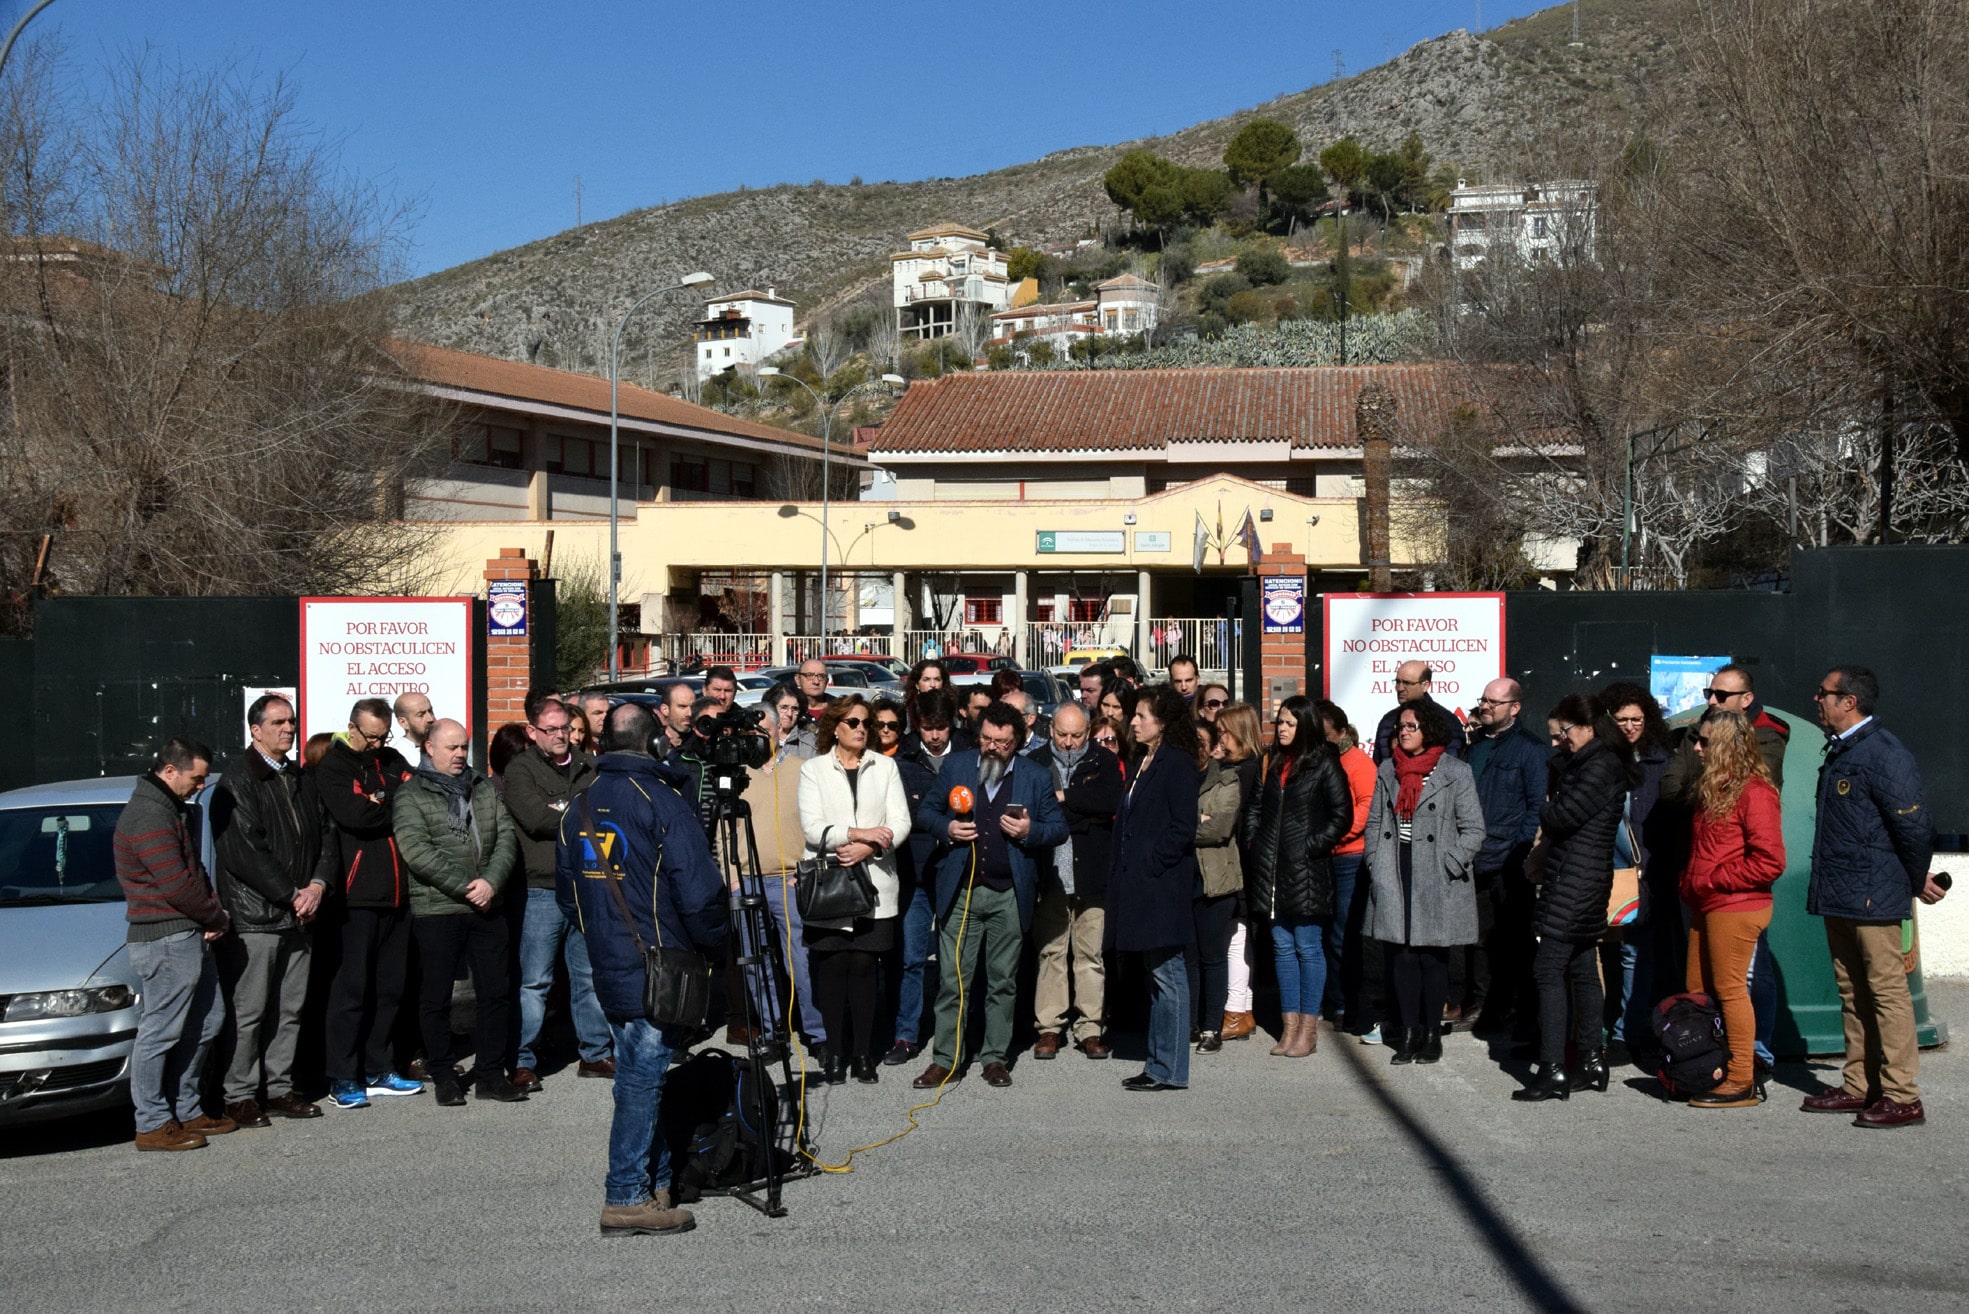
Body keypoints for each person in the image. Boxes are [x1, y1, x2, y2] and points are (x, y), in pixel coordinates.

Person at [558, 702, 727, 1236]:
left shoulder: (578, 804)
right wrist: (716, 945)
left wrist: (604, 935)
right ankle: (625, 1194)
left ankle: (652, 1184)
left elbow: (568, 898)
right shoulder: (662, 801)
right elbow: (701, 897)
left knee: (638, 1074)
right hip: (660, 962)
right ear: (655, 744)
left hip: (607, 957)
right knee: (640, 1078)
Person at [1800, 665, 1943, 1128]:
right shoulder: (1844, 750)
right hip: (1841, 893)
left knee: (1886, 992)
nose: (1815, 699)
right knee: (1851, 992)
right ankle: (1859, 1086)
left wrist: (1915, 876)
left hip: (1871, 896)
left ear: (1849, 702)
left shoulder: (1884, 753)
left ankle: (1902, 1095)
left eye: (1824, 693)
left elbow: (1914, 825)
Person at [912, 702, 1067, 1090]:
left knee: (1003, 981)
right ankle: (946, 1059)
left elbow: (1058, 828)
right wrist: (947, 828)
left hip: (1008, 894)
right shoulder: (957, 766)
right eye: (985, 739)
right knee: (953, 981)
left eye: (1001, 742)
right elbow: (925, 812)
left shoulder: (1034, 775)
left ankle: (995, 1057)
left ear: (1016, 742)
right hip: (961, 890)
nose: (991, 747)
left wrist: (1030, 831)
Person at [1513, 694, 1639, 1102]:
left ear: (1585, 727)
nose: (1556, 743)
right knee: (1583, 967)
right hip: (1580, 877)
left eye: (1561, 733)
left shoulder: (1599, 766)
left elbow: (1561, 817)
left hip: (1575, 881)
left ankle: (1552, 1069)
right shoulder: (1590, 763)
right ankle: (1591, 1060)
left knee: (1548, 970)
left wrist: (1546, 805)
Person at [394, 718, 525, 1105]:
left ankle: (489, 1074)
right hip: (439, 908)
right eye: (450, 747)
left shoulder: (482, 787)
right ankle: (443, 1073)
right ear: (429, 749)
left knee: (495, 993)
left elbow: (505, 837)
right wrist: (468, 887)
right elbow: (417, 852)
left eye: (463, 746)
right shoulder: (411, 794)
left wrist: (491, 883)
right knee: (436, 997)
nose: (458, 754)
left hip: (487, 904)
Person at [211, 695, 326, 1128]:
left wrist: (317, 885)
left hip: (301, 913)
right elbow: (244, 851)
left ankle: (280, 1088)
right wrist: (290, 894)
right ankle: (239, 1094)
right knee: (251, 1011)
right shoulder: (237, 780)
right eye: (278, 722)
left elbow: (325, 835)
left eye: (292, 721)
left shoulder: (299, 776)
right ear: (255, 730)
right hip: (257, 916)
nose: (288, 729)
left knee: (290, 1009)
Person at [115, 738, 236, 1151]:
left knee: (209, 1019)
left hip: (186, 932)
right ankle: (151, 1122)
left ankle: (186, 1109)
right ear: (170, 770)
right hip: (164, 936)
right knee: (161, 1031)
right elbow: (175, 883)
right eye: (196, 778)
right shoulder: (149, 814)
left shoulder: (170, 809)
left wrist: (210, 910)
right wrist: (215, 916)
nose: (200, 786)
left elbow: (193, 871)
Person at [797, 696, 914, 1084]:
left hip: (875, 882)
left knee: (865, 968)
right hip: (829, 884)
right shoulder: (814, 769)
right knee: (831, 971)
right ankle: (836, 1053)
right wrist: (856, 834)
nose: (863, 728)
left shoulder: (886, 767)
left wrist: (872, 845)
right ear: (835, 726)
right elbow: (812, 827)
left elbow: (900, 822)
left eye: (866, 722)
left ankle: (863, 1053)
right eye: (853, 722)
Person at [502, 697, 613, 1089]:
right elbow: (534, 819)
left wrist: (564, 808)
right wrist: (580, 812)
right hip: (541, 890)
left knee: (588, 975)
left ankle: (595, 1054)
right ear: (532, 732)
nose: (560, 736)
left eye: (564, 728)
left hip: (584, 885)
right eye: (550, 730)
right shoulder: (521, 770)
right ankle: (521, 1060)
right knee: (535, 981)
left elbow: (605, 812)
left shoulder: (589, 765)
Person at [1366, 705, 1486, 1066]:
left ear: (1429, 730)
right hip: (1396, 868)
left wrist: (1451, 862)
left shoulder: (1456, 771)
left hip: (1437, 873)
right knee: (1401, 957)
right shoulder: (1388, 770)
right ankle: (1407, 1032)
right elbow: (1374, 822)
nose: (1404, 732)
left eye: (1411, 726)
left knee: (1432, 958)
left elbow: (1474, 829)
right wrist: (1375, 860)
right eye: (1401, 726)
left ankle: (1432, 1034)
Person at [316, 698, 419, 1111]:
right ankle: (342, 1075)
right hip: (357, 896)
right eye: (371, 736)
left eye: (384, 736)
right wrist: (392, 801)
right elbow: (357, 815)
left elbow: (417, 800)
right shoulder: (334, 766)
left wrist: (384, 798)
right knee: (351, 990)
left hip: (399, 893)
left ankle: (380, 1067)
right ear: (352, 728)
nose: (378, 744)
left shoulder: (392, 758)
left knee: (390, 988)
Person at [1680, 708, 1786, 1109]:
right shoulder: (1715, 789)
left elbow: (1770, 861)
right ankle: (1710, 1068)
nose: (1697, 747)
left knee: (1729, 991)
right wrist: (1692, 882)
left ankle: (1741, 1078)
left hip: (1737, 905)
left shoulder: (1755, 791)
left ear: (1725, 745)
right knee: (1697, 992)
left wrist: (1711, 879)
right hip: (1707, 903)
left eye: (1705, 741)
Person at [1245, 695, 1353, 1058]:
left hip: (1307, 871)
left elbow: (1342, 816)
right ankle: (1288, 1028)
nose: (1283, 729)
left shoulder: (1325, 763)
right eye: (1280, 722)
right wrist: (1254, 842)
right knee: (1281, 948)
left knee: (1308, 947)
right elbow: (1256, 807)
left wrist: (1309, 846)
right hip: (1271, 872)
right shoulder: (1272, 761)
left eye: (1290, 723)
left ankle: (1308, 1028)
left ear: (1305, 725)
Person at [1108, 685, 1201, 1092]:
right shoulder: (1143, 760)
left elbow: (1183, 826)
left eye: (1142, 716)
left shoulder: (1177, 763)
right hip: (1141, 885)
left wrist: (1152, 862)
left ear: (1161, 723)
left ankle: (1171, 1068)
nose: (1133, 721)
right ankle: (1157, 1063)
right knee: (1156, 974)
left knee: (1170, 974)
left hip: (1162, 885)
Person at [1026, 700, 1123, 1060]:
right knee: (1051, 952)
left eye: (1077, 735)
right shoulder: (1034, 763)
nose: (1069, 742)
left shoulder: (1104, 760)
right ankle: (1049, 1028)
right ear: (1050, 730)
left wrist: (1065, 799)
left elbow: (1109, 801)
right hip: (1051, 872)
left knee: (1090, 955)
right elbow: (1035, 811)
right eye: (1063, 734)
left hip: (1092, 872)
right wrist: (1080, 812)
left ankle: (1090, 1027)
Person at [736, 682, 825, 1058]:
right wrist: (730, 881)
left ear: (778, 731)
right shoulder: (736, 775)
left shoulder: (804, 770)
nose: (757, 737)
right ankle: (774, 1032)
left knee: (801, 962)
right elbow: (722, 832)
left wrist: (806, 870)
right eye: (751, 731)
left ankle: (818, 1034)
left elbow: (818, 824)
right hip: (745, 881)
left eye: (763, 730)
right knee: (756, 963)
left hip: (789, 880)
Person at [1460, 678, 1548, 1040]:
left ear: (1515, 708)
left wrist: (1522, 850)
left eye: (1495, 702)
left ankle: (1518, 1009)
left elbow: (1536, 806)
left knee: (1515, 939)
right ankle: (1483, 1005)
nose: (1486, 707)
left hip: (1510, 858)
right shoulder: (1475, 747)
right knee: (1477, 939)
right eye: (1484, 700)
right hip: (1474, 857)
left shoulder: (1531, 750)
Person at [1599, 681, 1676, 1063]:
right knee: (1600, 952)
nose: (1630, 726)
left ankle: (1626, 1032)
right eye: (1622, 720)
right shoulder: (1601, 757)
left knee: (1634, 952)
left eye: (1637, 719)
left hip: (1644, 870)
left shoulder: (1660, 759)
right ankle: (1598, 1028)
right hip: (1603, 867)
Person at [885, 689, 959, 1064]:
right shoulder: (902, 761)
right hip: (914, 873)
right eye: (928, 728)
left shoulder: (966, 757)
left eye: (941, 728)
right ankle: (905, 1034)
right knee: (912, 958)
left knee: (953, 961)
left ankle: (955, 1034)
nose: (935, 736)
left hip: (954, 872)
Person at [1315, 700, 1377, 1037]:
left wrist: (1338, 831)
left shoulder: (1358, 763)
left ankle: (1342, 1001)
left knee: (1342, 933)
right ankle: (1332, 998)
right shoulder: (1323, 761)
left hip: (1349, 857)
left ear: (1341, 731)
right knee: (1325, 932)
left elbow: (1367, 805)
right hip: (1325, 854)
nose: (1322, 741)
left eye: (1326, 735)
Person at [1188, 720, 1245, 1054]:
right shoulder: (1175, 779)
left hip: (1216, 882)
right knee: (1187, 959)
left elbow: (1219, 828)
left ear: (1212, 747)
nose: (1195, 747)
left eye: (1201, 741)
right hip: (1182, 881)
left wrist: (1185, 826)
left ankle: (1212, 1027)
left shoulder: (1227, 779)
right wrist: (1197, 821)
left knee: (1212, 957)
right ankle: (1191, 1024)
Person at [1216, 702, 1265, 1042]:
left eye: (1223, 732)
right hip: (1242, 862)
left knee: (1236, 937)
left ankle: (1235, 1011)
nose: (1219, 738)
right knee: (1241, 937)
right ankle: (1243, 1010)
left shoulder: (1242, 770)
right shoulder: (1249, 766)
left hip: (1239, 863)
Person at [1372, 662, 1464, 764]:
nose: (1400, 688)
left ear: (1425, 685)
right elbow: (1377, 765)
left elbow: (1452, 766)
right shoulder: (1388, 720)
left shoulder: (1447, 721)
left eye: (1407, 683)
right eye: (1398, 682)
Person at [393, 692, 436, 759]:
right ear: (403, 722)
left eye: (430, 711)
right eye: (421, 715)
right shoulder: (397, 757)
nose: (430, 719)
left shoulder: (444, 748)